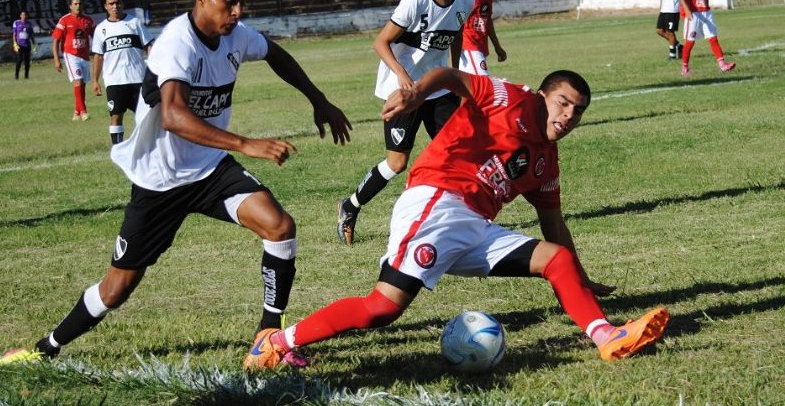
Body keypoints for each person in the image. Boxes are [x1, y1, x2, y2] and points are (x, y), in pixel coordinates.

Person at [0, 0, 351, 366]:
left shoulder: (234, 34)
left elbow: (275, 52)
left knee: (280, 226)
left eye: (242, 4)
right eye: (229, 2)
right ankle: (46, 349)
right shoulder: (176, 42)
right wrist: (245, 143)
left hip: (210, 169)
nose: (237, 13)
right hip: (160, 180)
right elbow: (174, 115)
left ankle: (267, 338)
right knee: (117, 288)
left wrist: (318, 99)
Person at [244, 67, 670, 370]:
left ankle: (606, 337)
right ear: (543, 96)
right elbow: (450, 77)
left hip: (476, 227)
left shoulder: (546, 161)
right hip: (438, 203)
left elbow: (553, 223)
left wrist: (580, 275)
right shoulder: (509, 98)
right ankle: (275, 343)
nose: (568, 116)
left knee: (555, 258)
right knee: (381, 309)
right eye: (563, 103)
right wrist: (415, 93)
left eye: (578, 111)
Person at [336, 0, 474, 245]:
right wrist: (400, 75)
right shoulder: (415, 0)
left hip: (437, 88)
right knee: (397, 163)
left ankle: (454, 222)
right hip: (403, 92)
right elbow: (380, 41)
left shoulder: (466, 0)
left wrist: (456, 77)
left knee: (458, 154)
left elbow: (456, 35)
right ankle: (350, 206)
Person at [91, 0, 154, 144]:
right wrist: (95, 80)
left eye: (118, 2)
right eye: (111, 3)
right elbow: (98, 56)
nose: (115, 6)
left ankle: (146, 145)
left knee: (145, 115)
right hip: (114, 80)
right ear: (105, 6)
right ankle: (117, 147)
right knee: (116, 115)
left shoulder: (134, 23)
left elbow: (149, 46)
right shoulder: (101, 29)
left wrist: (154, 70)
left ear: (123, 4)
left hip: (138, 78)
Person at [678, 0, 735, 75]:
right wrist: (687, 11)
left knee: (713, 38)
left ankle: (722, 65)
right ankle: (685, 68)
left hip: (706, 12)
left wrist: (706, 8)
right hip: (693, 14)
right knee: (690, 41)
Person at [458, 0, 507, 75]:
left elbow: (487, 19)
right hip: (467, 44)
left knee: (471, 89)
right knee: (484, 84)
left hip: (481, 44)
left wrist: (497, 47)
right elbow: (454, 16)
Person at [52, 0, 95, 121]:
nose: (78, 6)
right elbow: (56, 40)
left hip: (85, 56)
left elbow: (96, 36)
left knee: (82, 85)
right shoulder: (64, 20)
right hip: (70, 55)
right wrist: (56, 59)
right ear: (70, 6)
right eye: (75, 4)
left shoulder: (88, 21)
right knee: (78, 81)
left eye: (80, 4)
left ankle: (76, 111)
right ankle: (84, 112)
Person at [12, 11, 36, 80]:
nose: (24, 16)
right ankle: (16, 76)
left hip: (27, 45)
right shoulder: (16, 23)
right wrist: (14, 43)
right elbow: (14, 34)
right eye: (23, 15)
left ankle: (26, 76)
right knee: (19, 60)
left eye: (25, 15)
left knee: (27, 62)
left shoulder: (29, 24)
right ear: (20, 16)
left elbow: (31, 35)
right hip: (19, 45)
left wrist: (34, 43)